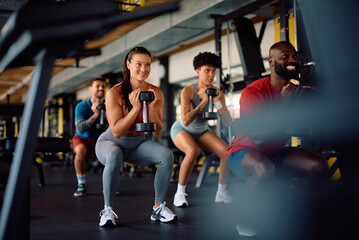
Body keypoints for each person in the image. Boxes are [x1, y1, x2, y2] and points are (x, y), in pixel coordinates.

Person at [227, 41, 329, 237]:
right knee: (263, 169)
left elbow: (305, 133)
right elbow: (258, 139)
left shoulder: (298, 91)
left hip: (275, 152)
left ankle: (291, 212)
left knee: (318, 166)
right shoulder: (253, 92)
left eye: (295, 56)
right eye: (284, 56)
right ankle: (244, 216)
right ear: (271, 63)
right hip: (243, 152)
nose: (292, 60)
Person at [95, 46, 177, 227]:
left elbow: (156, 131)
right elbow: (116, 130)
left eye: (147, 65)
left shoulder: (156, 92)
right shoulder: (114, 93)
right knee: (115, 154)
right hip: (110, 143)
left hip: (136, 144)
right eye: (138, 64)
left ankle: (158, 208)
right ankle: (108, 211)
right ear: (128, 64)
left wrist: (153, 107)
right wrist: (136, 108)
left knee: (166, 155)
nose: (144, 69)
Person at [170, 52, 233, 208]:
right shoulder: (188, 91)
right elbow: (185, 120)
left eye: (213, 71)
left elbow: (227, 122)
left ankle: (221, 193)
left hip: (201, 131)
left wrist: (218, 103)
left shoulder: (218, 93)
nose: (211, 75)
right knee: (192, 151)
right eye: (207, 70)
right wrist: (203, 102)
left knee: (227, 152)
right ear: (197, 71)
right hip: (181, 129)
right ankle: (179, 194)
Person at [72, 76, 107, 197]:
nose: (101, 88)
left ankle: (109, 186)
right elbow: (80, 128)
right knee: (80, 150)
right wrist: (96, 114)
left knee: (114, 150)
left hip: (100, 140)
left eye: (103, 86)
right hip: (83, 139)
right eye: (97, 86)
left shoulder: (108, 106)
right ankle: (81, 184)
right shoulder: (82, 106)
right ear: (91, 89)